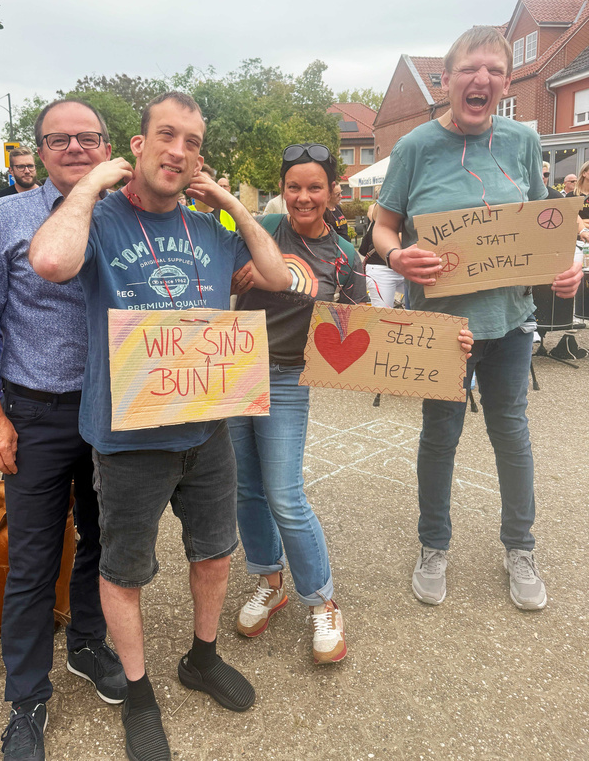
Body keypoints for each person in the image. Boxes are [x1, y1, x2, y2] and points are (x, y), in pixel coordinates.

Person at [29, 90, 291, 761]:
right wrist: (89, 181)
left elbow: (275, 275)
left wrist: (231, 204)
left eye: (193, 142)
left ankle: (201, 658)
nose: (180, 151)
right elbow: (52, 262)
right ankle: (139, 692)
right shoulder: (98, 217)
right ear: (139, 145)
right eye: (166, 136)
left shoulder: (210, 228)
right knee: (125, 567)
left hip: (206, 429)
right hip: (127, 438)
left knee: (212, 550)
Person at [373, 26, 582, 612]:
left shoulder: (521, 140)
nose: (482, 80)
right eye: (470, 70)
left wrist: (567, 265)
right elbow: (383, 225)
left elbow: (546, 222)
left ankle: (520, 548)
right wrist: (395, 253)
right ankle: (433, 545)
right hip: (440, 328)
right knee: (439, 439)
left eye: (494, 70)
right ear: (448, 80)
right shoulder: (415, 146)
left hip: (512, 323)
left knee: (510, 435)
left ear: (507, 81)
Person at [0, 99, 127, 761]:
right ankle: (26, 697)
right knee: (32, 561)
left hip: (114, 411)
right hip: (36, 413)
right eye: (61, 139)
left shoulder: (128, 215)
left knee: (104, 540)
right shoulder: (4, 219)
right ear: (40, 149)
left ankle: (86, 641)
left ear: (109, 145)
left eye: (90, 138)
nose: (76, 148)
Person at [227, 144, 363, 664]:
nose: (303, 197)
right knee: (247, 490)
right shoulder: (259, 227)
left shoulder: (344, 257)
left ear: (332, 193)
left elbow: (365, 326)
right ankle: (269, 581)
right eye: (293, 187)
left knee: (284, 494)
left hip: (286, 377)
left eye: (314, 187)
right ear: (282, 190)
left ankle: (322, 600)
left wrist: (445, 344)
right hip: (236, 368)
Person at [359, 190, 406, 307]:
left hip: (403, 267)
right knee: (382, 315)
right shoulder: (385, 206)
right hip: (381, 268)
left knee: (421, 307)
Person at [189, 164, 237, 230]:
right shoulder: (184, 215)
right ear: (191, 186)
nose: (202, 187)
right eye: (198, 182)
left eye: (205, 182)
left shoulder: (229, 215)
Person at [573, 160, 589, 243]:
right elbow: (570, 218)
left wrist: (582, 222)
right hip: (576, 239)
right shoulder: (572, 195)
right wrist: (583, 224)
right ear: (584, 173)